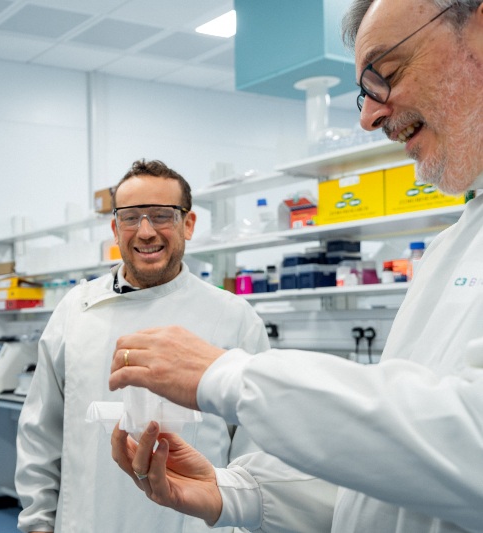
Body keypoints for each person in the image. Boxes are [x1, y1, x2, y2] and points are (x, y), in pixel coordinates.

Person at [108, 1, 483, 531]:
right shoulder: (456, 244)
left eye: (388, 73)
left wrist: (226, 374)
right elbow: (398, 474)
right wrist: (235, 491)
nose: (369, 116)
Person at [14, 159, 270, 532]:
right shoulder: (76, 310)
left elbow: (255, 449)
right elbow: (41, 433)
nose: (146, 231)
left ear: (189, 224)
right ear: (116, 228)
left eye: (162, 216)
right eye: (132, 218)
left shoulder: (233, 318)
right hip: (88, 520)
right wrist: (38, 524)